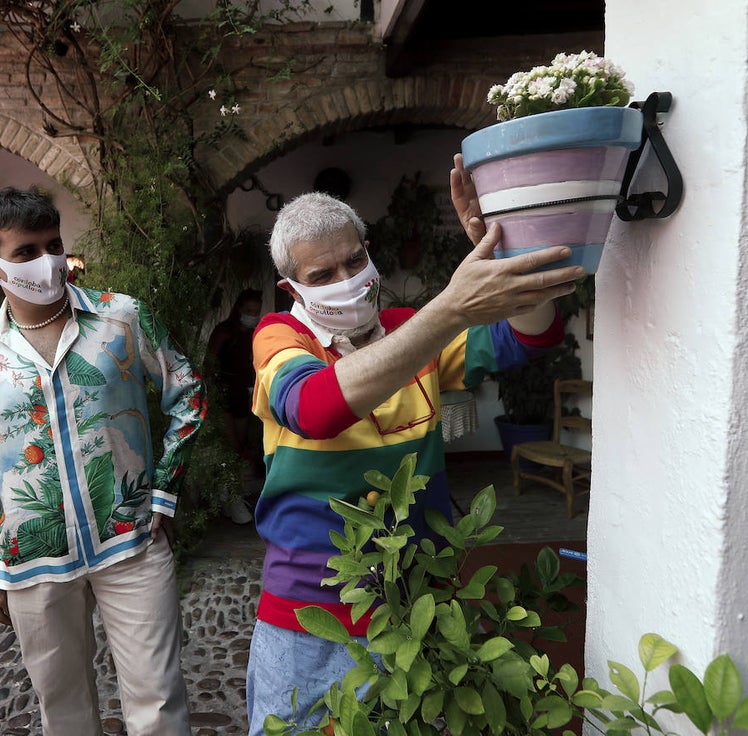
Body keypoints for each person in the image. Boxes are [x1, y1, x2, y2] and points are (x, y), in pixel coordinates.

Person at [244, 155, 585, 735]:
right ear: (290, 287)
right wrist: (449, 309)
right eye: (322, 274)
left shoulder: (410, 328)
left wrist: (508, 247)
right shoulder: (281, 336)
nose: (346, 279)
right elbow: (314, 408)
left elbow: (528, 336)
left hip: (415, 602)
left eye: (355, 260)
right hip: (309, 611)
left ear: (370, 252)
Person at [0, 187, 205, 736]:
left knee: (158, 700)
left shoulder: (121, 317)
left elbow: (188, 394)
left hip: (130, 541)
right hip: (33, 558)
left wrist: (163, 492)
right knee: (61, 707)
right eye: (26, 251)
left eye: (53, 245)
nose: (47, 261)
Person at [206, 288, 263, 524]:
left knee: (242, 447)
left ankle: (231, 495)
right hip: (222, 393)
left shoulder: (252, 334)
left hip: (242, 394)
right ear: (239, 308)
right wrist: (210, 394)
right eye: (249, 311)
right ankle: (228, 497)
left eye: (256, 312)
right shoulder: (224, 331)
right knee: (230, 446)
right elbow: (209, 363)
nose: (253, 316)